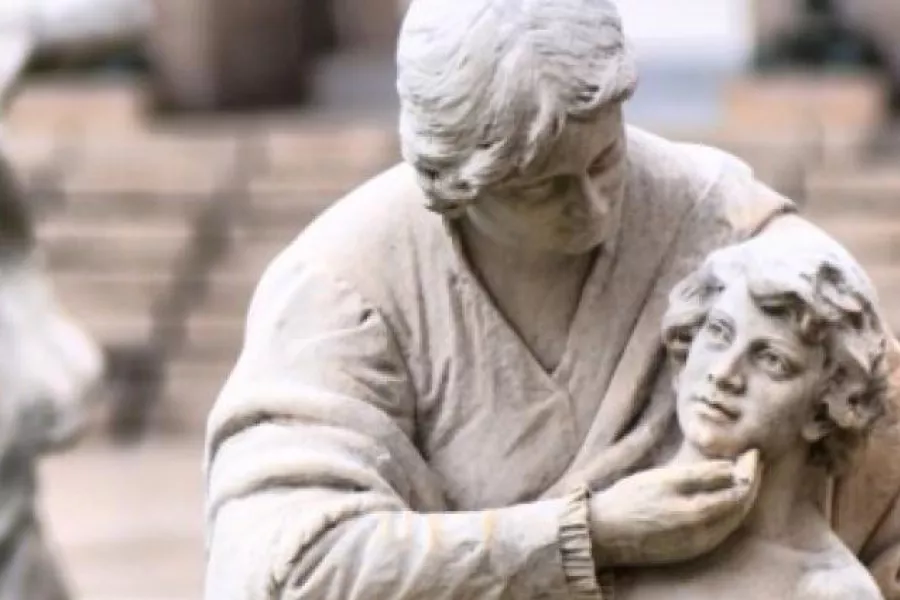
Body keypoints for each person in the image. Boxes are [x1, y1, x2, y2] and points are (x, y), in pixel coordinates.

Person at [204, 0, 900, 598]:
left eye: (606, 159)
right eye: (542, 188)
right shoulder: (347, 284)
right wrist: (583, 535)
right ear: (456, 185)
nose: (595, 206)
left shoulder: (731, 231)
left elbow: (881, 465)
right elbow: (281, 564)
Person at [614, 235, 888, 599]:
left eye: (771, 359)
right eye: (718, 332)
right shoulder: (598, 525)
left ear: (824, 411)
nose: (724, 372)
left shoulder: (826, 591)